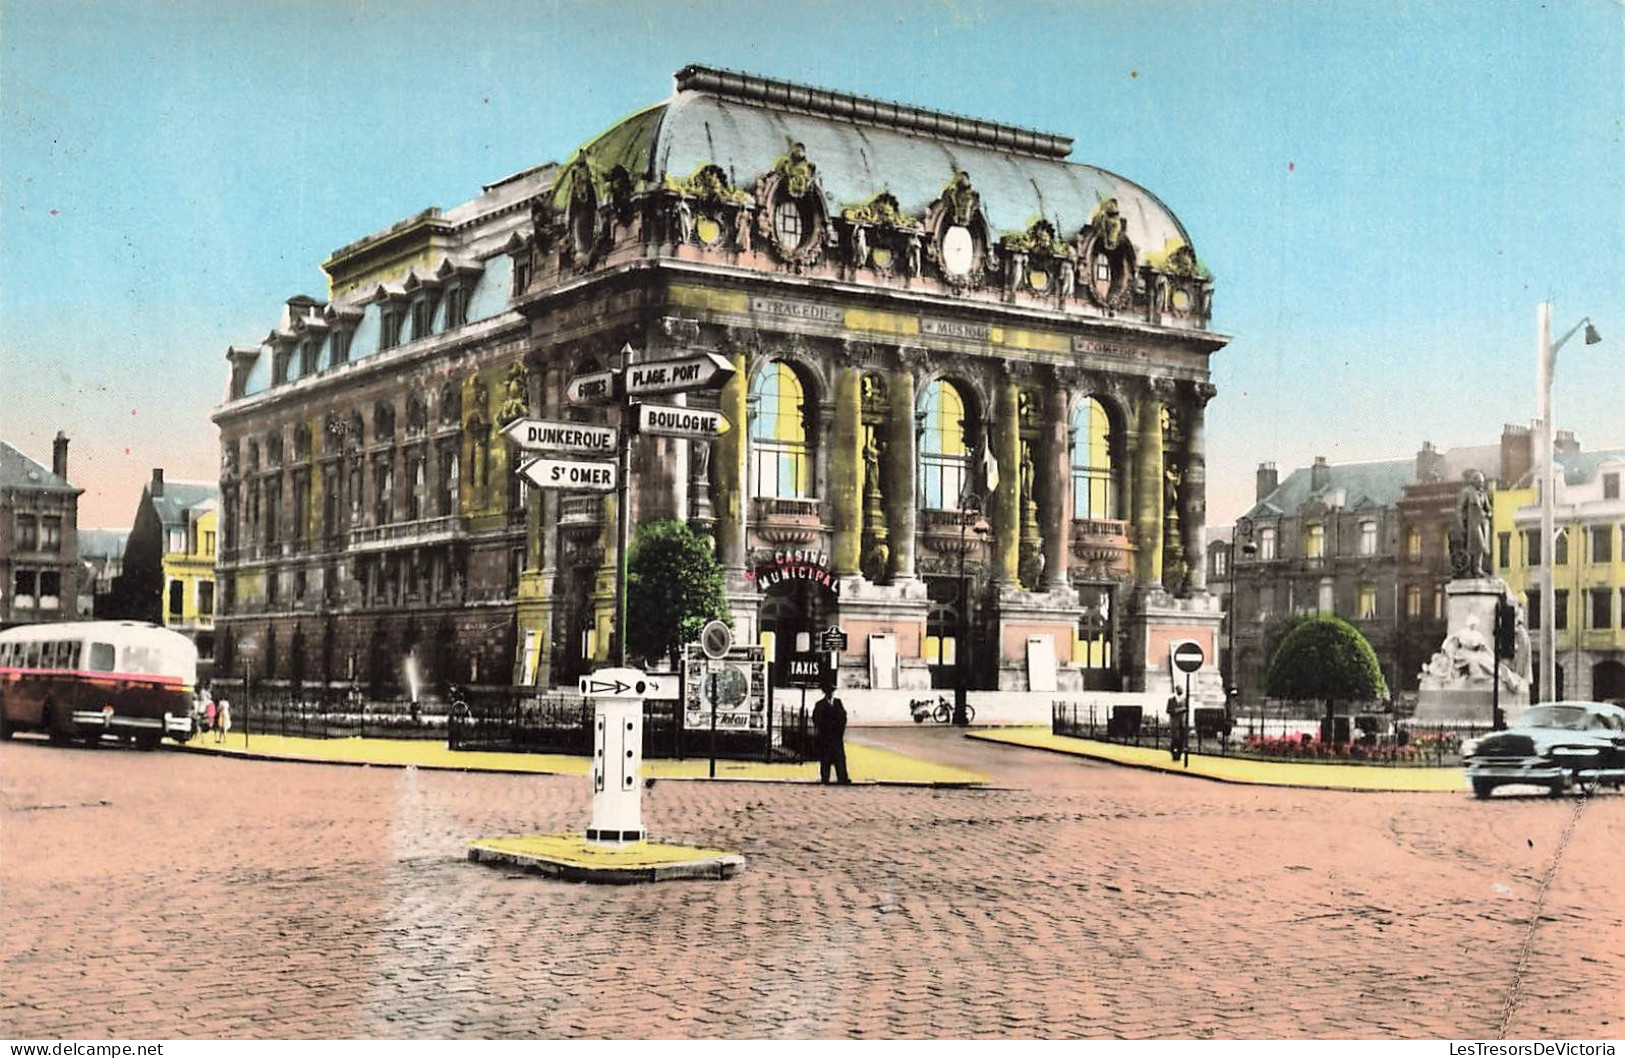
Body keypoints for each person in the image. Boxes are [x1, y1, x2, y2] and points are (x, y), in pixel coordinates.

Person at [811, 688, 850, 785]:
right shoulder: (820, 704)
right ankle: (825, 778)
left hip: (836, 736)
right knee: (825, 758)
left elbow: (843, 717)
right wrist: (823, 729)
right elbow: (816, 718)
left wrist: (840, 730)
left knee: (839, 757)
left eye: (831, 692)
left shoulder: (838, 703)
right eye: (828, 692)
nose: (830, 694)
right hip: (825, 737)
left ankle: (842, 778)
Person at [1166, 687, 1188, 762]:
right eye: (1179, 690)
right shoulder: (1171, 700)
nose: (1181, 691)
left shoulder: (1184, 700)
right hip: (1174, 723)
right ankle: (1173, 753)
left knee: (1181, 740)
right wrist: (1177, 710)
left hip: (1182, 723)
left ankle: (1179, 754)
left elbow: (1187, 710)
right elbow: (1168, 710)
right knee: (1175, 738)